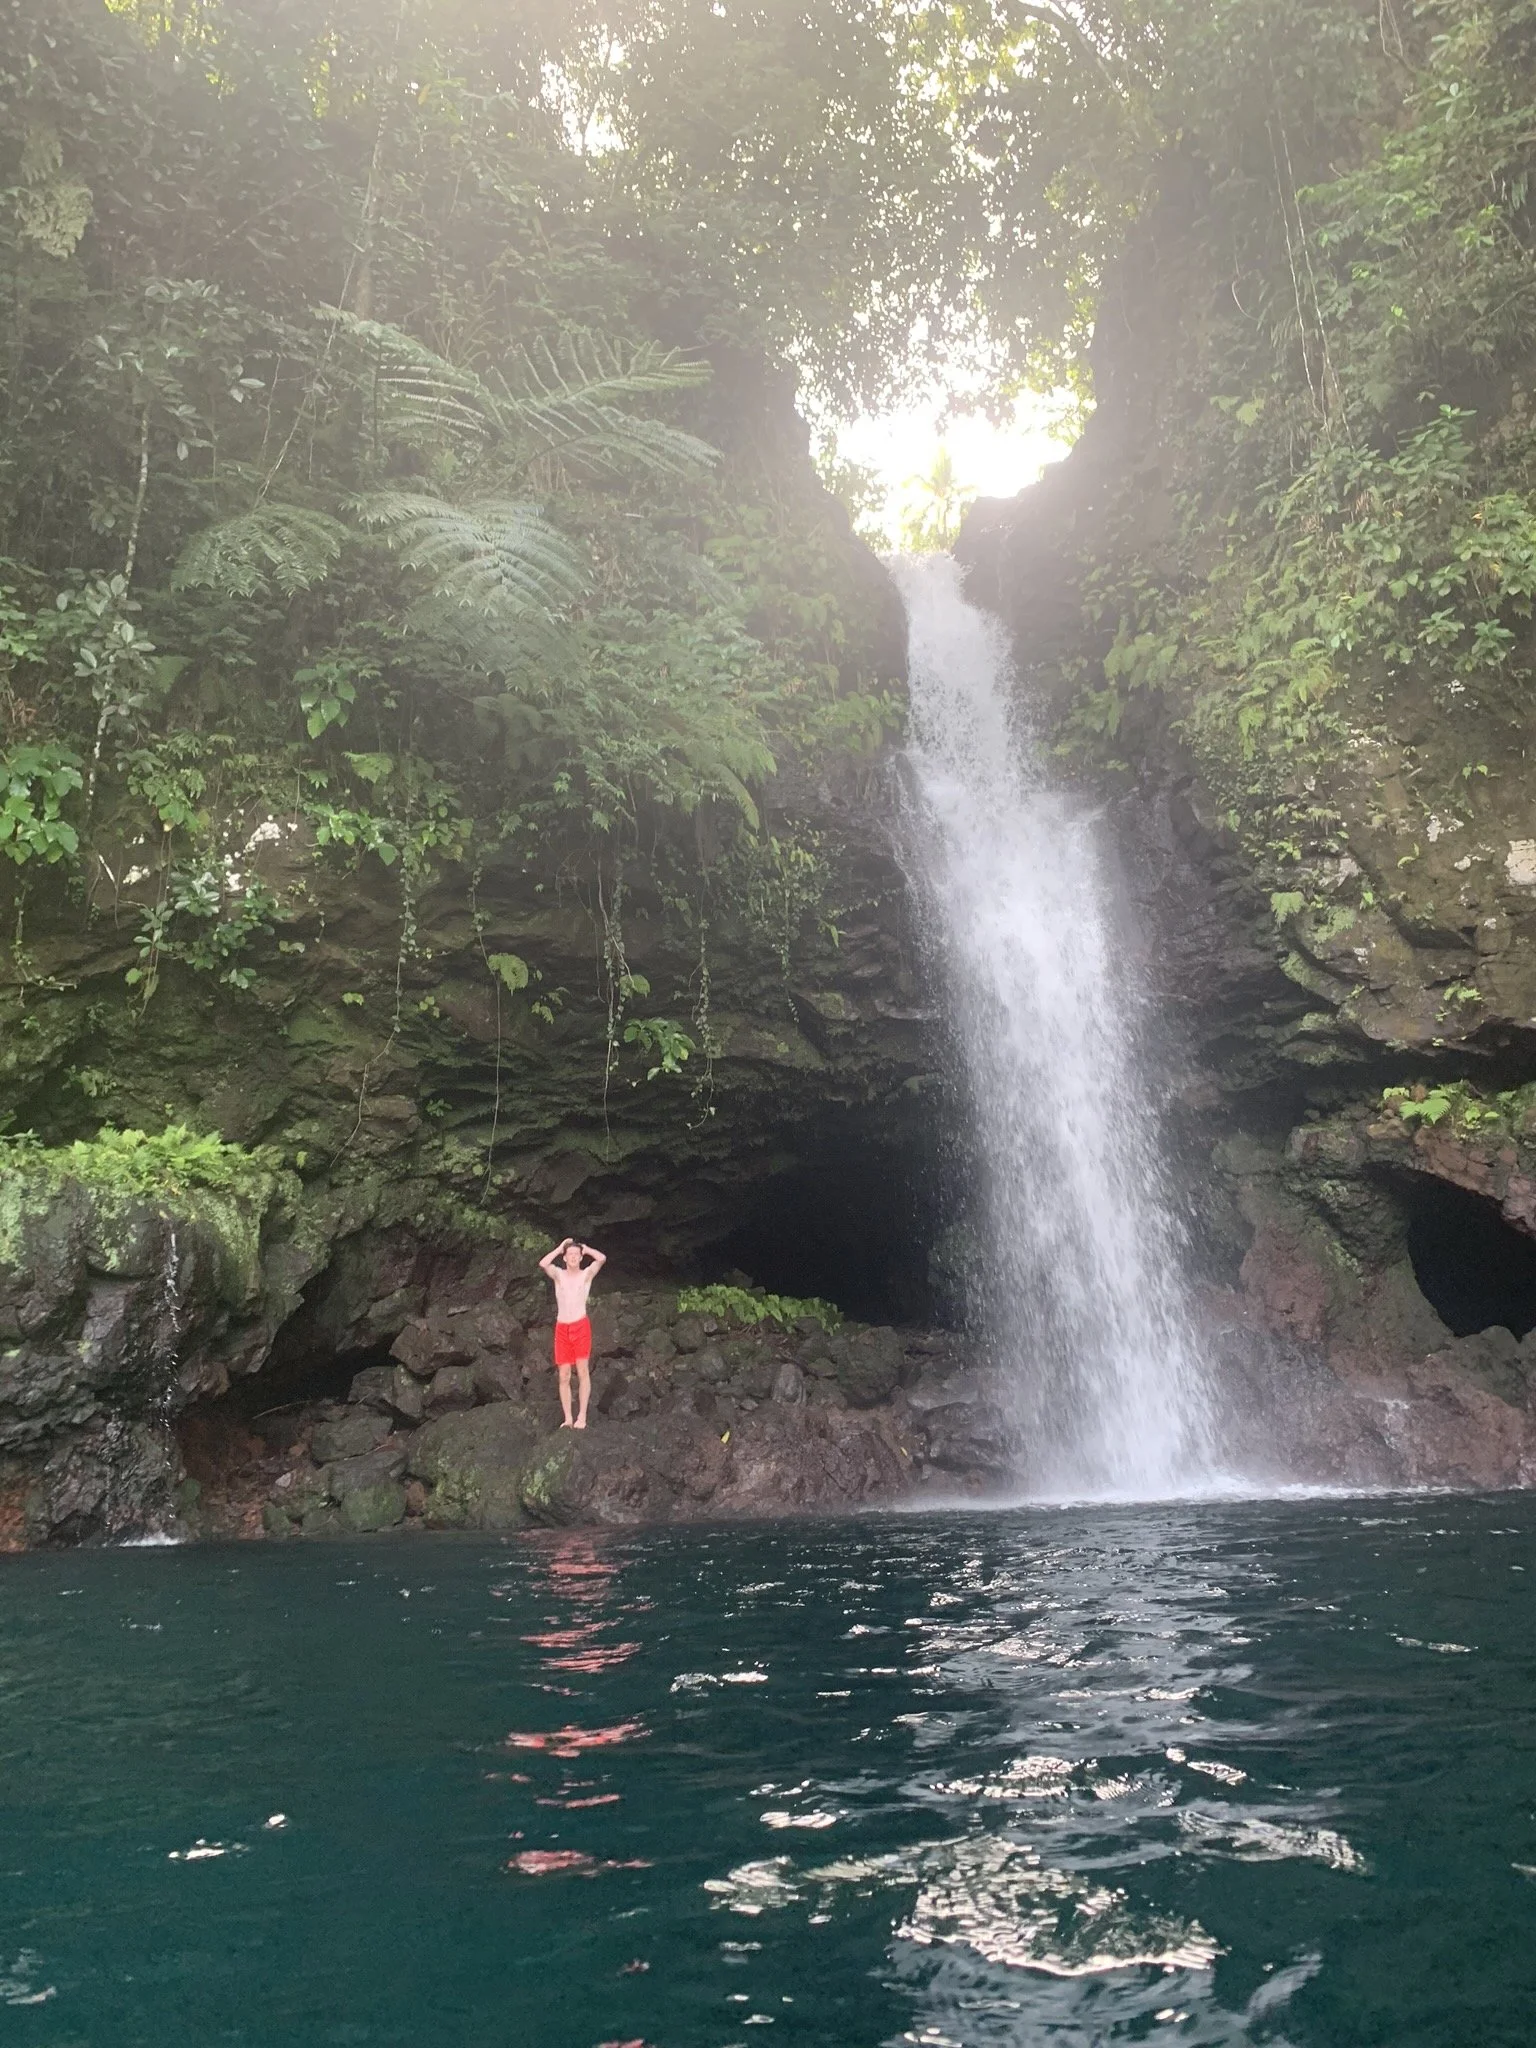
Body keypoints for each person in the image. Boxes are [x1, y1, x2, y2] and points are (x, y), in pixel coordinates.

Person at [537, 1237, 606, 1429]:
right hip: (562, 1328)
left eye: (576, 1254)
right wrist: (559, 1248)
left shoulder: (586, 1275)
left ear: (580, 1257)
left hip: (580, 1326)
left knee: (582, 1370)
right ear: (565, 1258)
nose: (574, 1257)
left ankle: (582, 1416)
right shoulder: (558, 1274)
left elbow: (601, 1259)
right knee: (564, 1374)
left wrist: (586, 1248)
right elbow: (543, 1263)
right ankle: (568, 1418)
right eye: (570, 1255)